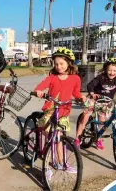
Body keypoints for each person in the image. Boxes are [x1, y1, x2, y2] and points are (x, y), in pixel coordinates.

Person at [34, 48, 86, 176]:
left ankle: (62, 163)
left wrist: (81, 98)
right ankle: (47, 166)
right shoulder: (52, 77)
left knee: (60, 139)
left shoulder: (75, 78)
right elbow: (40, 87)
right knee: (50, 138)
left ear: (69, 63)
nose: (58, 66)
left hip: (64, 112)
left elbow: (76, 93)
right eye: (56, 64)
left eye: (61, 63)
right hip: (50, 110)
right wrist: (39, 92)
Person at [74, 58, 116, 150]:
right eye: (110, 70)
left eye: (114, 71)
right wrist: (92, 93)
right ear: (105, 70)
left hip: (107, 102)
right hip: (95, 99)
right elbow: (90, 85)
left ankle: (98, 139)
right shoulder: (101, 77)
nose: (112, 73)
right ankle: (78, 137)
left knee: (102, 121)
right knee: (86, 114)